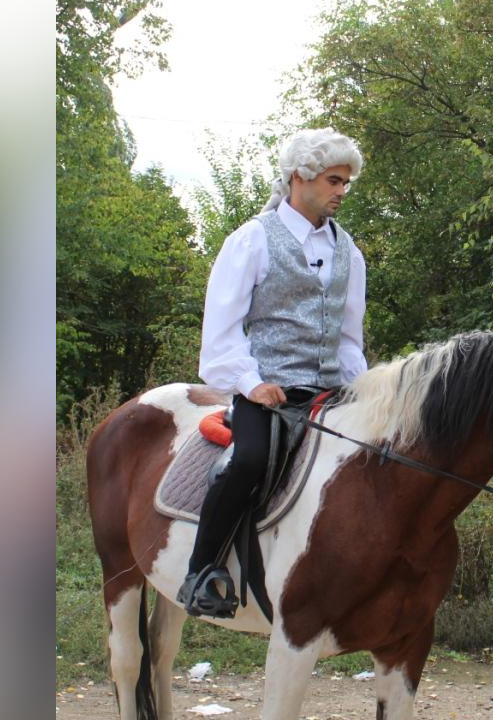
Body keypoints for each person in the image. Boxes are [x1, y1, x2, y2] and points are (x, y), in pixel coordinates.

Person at [176, 127, 368, 618]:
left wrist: (362, 389)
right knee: (248, 462)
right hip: (268, 393)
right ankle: (201, 573)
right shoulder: (251, 240)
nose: (342, 191)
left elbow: (348, 338)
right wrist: (251, 384)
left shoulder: (350, 252)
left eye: (346, 182)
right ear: (299, 178)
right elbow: (221, 331)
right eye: (334, 180)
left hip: (329, 394)